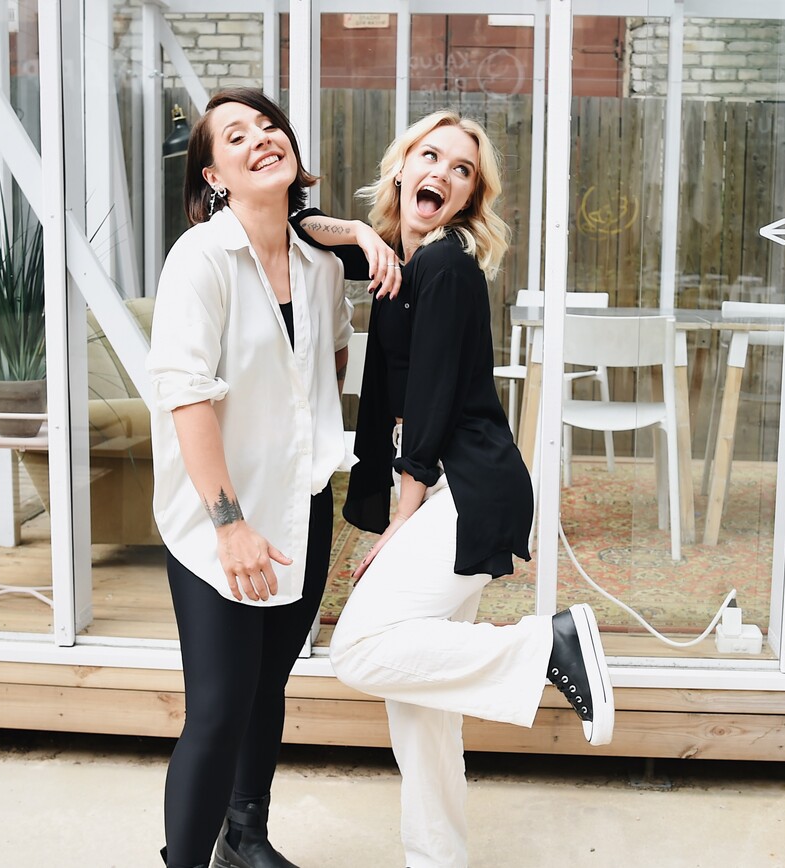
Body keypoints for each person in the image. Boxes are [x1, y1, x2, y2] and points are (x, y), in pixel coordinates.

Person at [318, 111, 616, 868]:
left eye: (462, 171)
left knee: (360, 647)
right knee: (422, 709)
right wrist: (361, 236)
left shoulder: (445, 266)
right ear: (401, 168)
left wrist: (399, 520)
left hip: (463, 488)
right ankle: (437, 859)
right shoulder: (399, 260)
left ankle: (544, 646)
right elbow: (296, 225)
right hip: (458, 486)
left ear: (468, 198)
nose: (444, 174)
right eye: (431, 156)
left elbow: (432, 401)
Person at [145, 87, 399, 868]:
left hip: (299, 509)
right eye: (235, 136)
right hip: (217, 524)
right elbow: (186, 397)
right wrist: (230, 526)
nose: (260, 138)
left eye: (268, 125)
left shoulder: (319, 265)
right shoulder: (200, 260)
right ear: (213, 175)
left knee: (267, 687)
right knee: (219, 708)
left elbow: (331, 355)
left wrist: (355, 230)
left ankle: (244, 838)